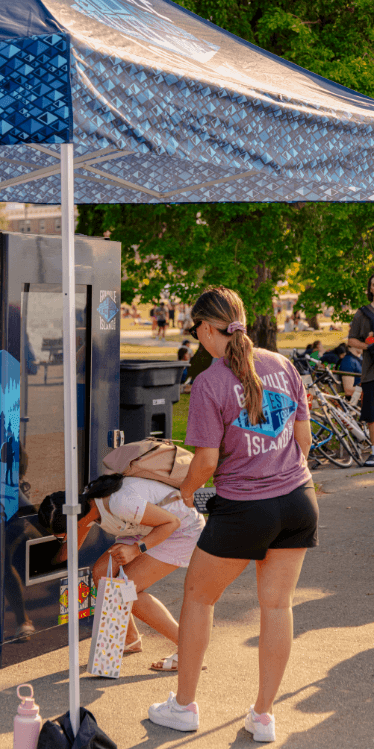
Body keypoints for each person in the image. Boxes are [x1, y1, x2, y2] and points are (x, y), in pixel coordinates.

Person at [148, 286, 316, 742]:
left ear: (205, 328)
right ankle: (262, 717)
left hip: (246, 507)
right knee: (277, 606)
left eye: (196, 329)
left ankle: (183, 707)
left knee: (199, 598)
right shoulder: (282, 364)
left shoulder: (209, 381)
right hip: (299, 500)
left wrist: (183, 494)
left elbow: (204, 463)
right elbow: (303, 439)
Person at [38, 473, 205, 671]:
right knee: (101, 574)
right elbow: (69, 550)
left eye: (64, 534)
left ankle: (189, 651)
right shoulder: (84, 506)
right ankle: (130, 639)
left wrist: (136, 549)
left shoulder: (119, 503)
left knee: (126, 591)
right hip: (143, 526)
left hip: (180, 529)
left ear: (77, 521)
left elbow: (171, 523)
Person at [348, 271, 374, 465]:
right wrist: (369, 346)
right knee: (373, 415)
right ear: (370, 289)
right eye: (373, 284)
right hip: (371, 371)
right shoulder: (362, 313)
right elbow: (351, 340)